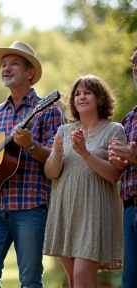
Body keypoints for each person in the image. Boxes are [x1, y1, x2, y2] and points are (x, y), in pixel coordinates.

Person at [0, 41, 62, 287]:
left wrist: (30, 145)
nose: (6, 68)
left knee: (29, 279)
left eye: (13, 64)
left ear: (30, 73)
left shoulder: (48, 111)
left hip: (30, 207)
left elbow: (57, 160)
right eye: (3, 64)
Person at [43, 74, 126, 288]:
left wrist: (85, 153)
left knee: (81, 277)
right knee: (74, 281)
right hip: (65, 209)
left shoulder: (114, 130)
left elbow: (114, 175)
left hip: (94, 211)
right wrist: (58, 153)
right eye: (77, 94)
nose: (81, 97)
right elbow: (51, 173)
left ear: (100, 99)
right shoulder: (64, 131)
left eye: (87, 92)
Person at [109, 47, 137, 288]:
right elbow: (126, 163)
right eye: (134, 62)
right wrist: (120, 164)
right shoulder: (128, 119)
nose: (135, 67)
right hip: (129, 209)